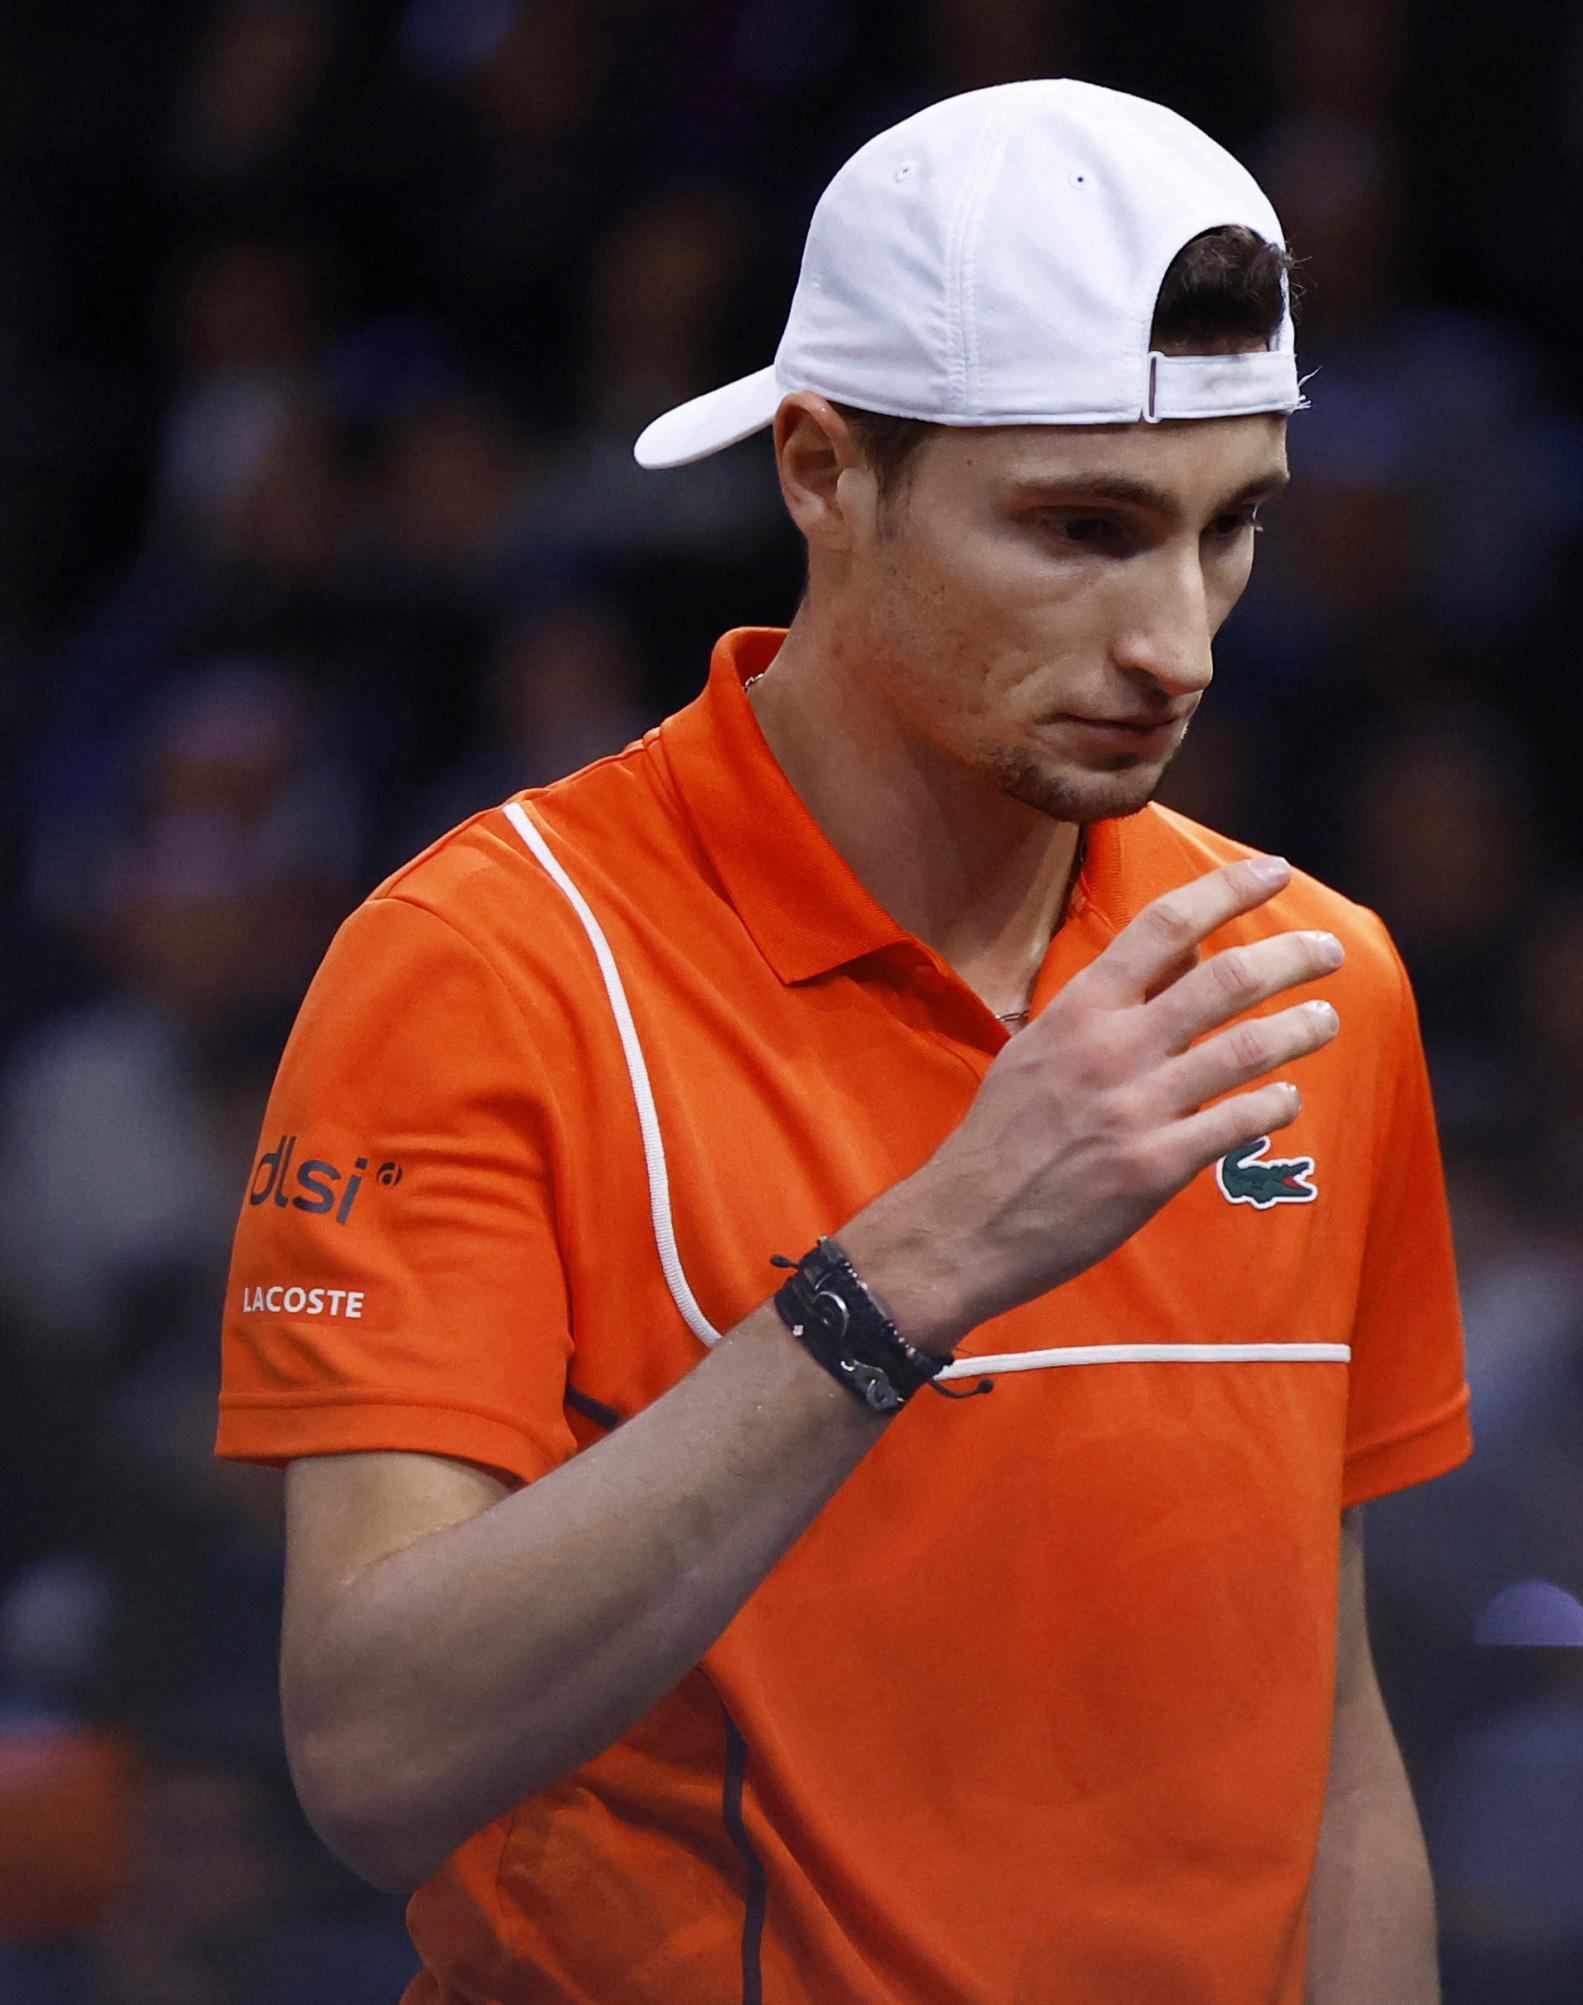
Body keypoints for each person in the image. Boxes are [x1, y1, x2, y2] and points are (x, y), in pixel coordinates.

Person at [213, 81, 1471, 2002]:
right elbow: (376, 1752)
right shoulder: (488, 961)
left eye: (1233, 531)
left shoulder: (1312, 977)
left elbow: (1335, 1743)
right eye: (1084, 529)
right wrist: (925, 1258)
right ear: (821, 471)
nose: (1179, 643)